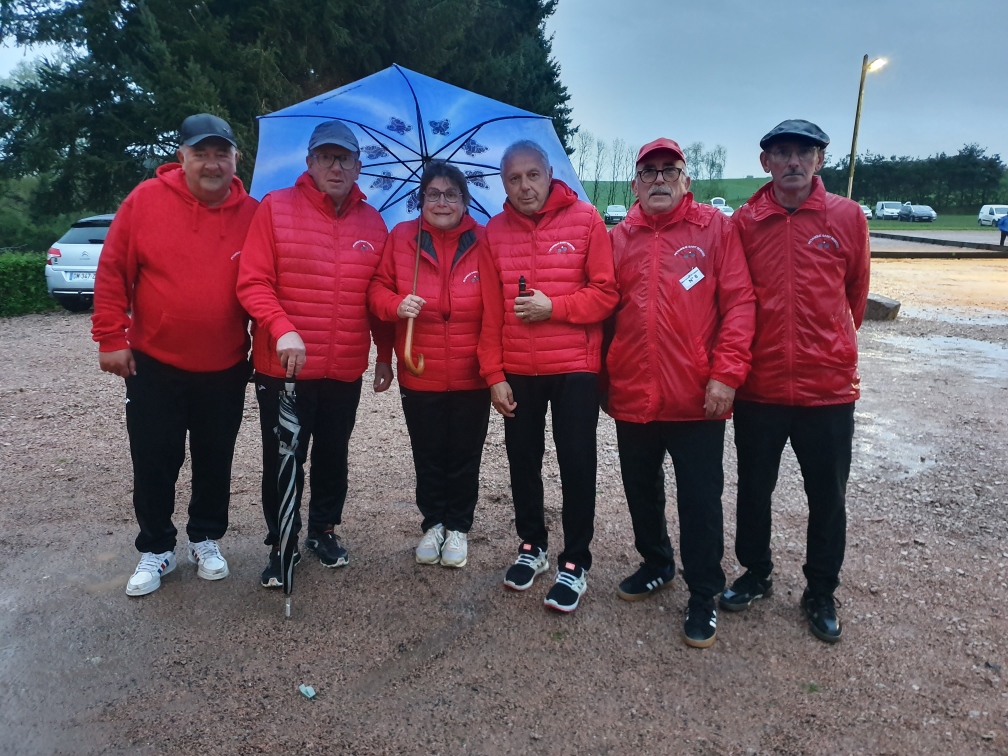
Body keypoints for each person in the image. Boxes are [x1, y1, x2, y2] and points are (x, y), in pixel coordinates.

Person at [91, 113, 259, 597]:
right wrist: (111, 337)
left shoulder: (252, 214)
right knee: (155, 458)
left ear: (235, 158)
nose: (211, 163)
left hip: (225, 365)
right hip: (154, 363)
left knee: (214, 458)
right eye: (200, 153)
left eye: (220, 153)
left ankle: (205, 537)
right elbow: (113, 272)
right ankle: (157, 547)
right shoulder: (145, 201)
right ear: (181, 156)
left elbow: (267, 282)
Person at [722, 120, 870, 643]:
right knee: (754, 488)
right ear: (765, 162)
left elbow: (854, 295)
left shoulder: (847, 217)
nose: (792, 162)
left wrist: (828, 345)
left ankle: (821, 590)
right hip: (760, 385)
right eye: (781, 153)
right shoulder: (745, 222)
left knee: (826, 495)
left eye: (802, 154)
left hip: (825, 388)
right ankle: (755, 572)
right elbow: (734, 297)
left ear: (819, 160)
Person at [605, 138, 755, 648]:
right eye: (649, 172)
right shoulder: (618, 237)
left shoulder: (715, 229)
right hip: (633, 392)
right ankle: (656, 562)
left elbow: (739, 302)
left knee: (699, 500)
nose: (659, 180)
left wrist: (727, 373)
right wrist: (604, 380)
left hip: (696, 396)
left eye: (670, 170)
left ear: (686, 181)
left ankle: (704, 592)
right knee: (640, 489)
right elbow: (604, 312)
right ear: (635, 185)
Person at [237, 119, 394, 587]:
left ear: (358, 165)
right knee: (285, 456)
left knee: (333, 453)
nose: (335, 166)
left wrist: (384, 354)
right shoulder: (275, 208)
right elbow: (253, 281)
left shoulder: (373, 221)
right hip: (285, 365)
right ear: (309, 163)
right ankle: (281, 541)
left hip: (343, 366)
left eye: (344, 157)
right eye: (326, 157)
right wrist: (281, 328)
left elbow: (378, 295)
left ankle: (324, 529)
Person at [479, 140, 618, 613]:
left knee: (577, 463)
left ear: (549, 173)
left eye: (532, 176)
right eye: (514, 179)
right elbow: (489, 312)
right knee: (523, 459)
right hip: (519, 369)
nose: (524, 187)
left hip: (574, 369)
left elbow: (605, 295)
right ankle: (532, 545)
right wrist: (493, 373)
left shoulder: (585, 220)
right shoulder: (493, 232)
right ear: (504, 183)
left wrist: (553, 308)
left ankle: (575, 561)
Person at [368, 162, 490, 568]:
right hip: (420, 370)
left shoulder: (483, 241)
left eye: (451, 194)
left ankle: (458, 526)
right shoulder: (403, 238)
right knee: (428, 451)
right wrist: (395, 305)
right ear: (420, 200)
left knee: (465, 453)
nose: (442, 202)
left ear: (465, 201)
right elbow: (376, 291)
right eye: (433, 194)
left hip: (472, 371)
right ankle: (433, 522)